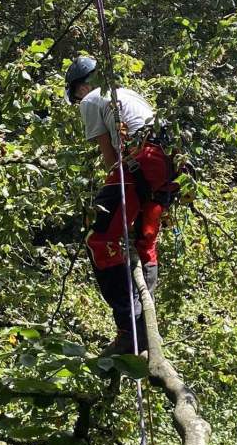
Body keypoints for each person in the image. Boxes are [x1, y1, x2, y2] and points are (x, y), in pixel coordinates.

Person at [65, 56, 175, 355]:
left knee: (98, 239)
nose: (78, 101)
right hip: (170, 169)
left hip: (140, 162)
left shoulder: (91, 99)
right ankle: (144, 325)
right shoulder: (129, 94)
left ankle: (129, 328)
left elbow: (110, 156)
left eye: (76, 95)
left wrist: (113, 194)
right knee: (145, 243)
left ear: (81, 86)